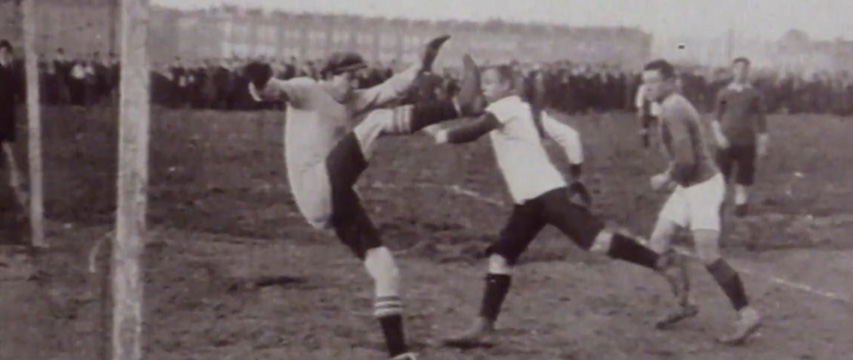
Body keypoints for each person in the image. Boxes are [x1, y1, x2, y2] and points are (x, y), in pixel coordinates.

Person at [245, 35, 484, 360]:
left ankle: (398, 353)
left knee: (386, 268)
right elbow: (271, 90)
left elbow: (394, 87)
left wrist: (424, 61)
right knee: (377, 122)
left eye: (357, 76)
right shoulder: (306, 89)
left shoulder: (352, 99)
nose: (355, 82)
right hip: (313, 187)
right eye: (349, 76)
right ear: (328, 75)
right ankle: (460, 106)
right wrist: (259, 78)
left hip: (337, 195)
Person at [429, 65, 684, 348]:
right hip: (530, 200)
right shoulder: (525, 110)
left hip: (546, 195)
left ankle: (662, 262)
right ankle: (484, 326)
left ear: (507, 86)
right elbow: (570, 137)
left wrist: (439, 134)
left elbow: (473, 131)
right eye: (484, 83)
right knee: (501, 256)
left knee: (597, 242)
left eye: (490, 83)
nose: (484, 88)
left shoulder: (506, 108)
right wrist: (575, 177)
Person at [640, 59, 761, 345]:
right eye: (645, 83)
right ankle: (684, 303)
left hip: (703, 187)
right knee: (658, 243)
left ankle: (747, 313)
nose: (648, 88)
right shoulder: (672, 104)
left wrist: (665, 179)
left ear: (670, 82)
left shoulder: (672, 108)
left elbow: (686, 160)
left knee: (708, 254)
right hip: (688, 186)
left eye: (654, 82)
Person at [712, 57, 769, 217]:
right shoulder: (724, 93)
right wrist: (719, 137)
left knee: (745, 173)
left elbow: (761, 120)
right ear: (733, 70)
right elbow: (716, 118)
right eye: (738, 68)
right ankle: (719, 202)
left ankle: (741, 203)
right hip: (726, 140)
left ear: (748, 71)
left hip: (747, 140)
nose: (741, 72)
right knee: (722, 173)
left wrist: (763, 143)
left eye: (745, 69)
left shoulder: (754, 94)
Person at [0, 40, 28, 224]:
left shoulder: (12, 72)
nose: (5, 56)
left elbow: (20, 93)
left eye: (7, 53)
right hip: (1, 123)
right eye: (2, 53)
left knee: (9, 158)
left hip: (7, 122)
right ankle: (19, 198)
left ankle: (17, 199)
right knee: (9, 158)